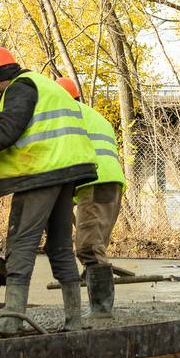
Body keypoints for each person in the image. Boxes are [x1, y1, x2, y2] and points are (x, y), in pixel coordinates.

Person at [0, 48, 97, 333]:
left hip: (39, 174)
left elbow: (9, 131)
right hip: (67, 174)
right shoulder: (46, 85)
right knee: (60, 246)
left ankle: (12, 319)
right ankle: (74, 320)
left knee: (21, 244)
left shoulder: (20, 88)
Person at [56, 77, 125, 321]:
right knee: (95, 246)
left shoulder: (68, 116)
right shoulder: (95, 116)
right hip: (110, 183)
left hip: (94, 184)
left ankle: (101, 309)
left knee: (88, 247)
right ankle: (100, 305)